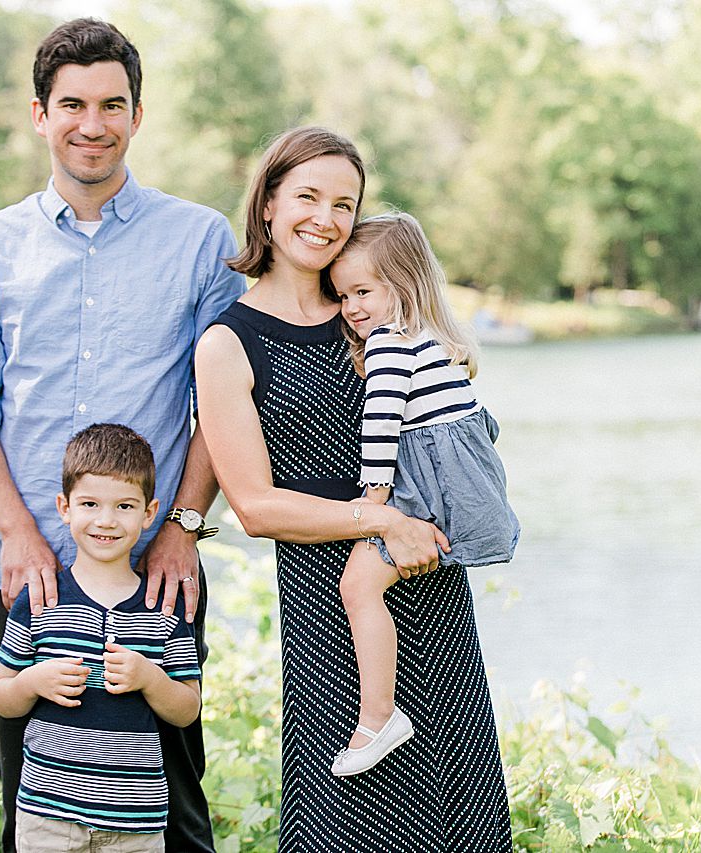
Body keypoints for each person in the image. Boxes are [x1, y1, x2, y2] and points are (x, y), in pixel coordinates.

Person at [0, 18, 244, 852]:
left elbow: (222, 403)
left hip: (154, 575)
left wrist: (180, 526)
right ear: (40, 114)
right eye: (72, 104)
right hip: (19, 571)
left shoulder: (201, 240)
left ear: (137, 115)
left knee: (174, 805)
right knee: (30, 797)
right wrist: (19, 531)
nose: (93, 124)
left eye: (112, 104)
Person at [194, 126, 513, 851]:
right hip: (329, 593)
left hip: (425, 575)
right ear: (268, 205)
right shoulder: (227, 342)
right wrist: (379, 519)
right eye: (307, 196)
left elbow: (447, 413)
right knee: (348, 816)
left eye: (345, 202)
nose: (326, 218)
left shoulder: (371, 315)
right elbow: (254, 505)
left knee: (459, 804)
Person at [326, 212, 519, 777]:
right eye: (342, 296)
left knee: (358, 586)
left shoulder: (388, 345)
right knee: (369, 587)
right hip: (458, 481)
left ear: (404, 283)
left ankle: (378, 717)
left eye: (364, 290)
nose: (352, 307)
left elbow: (381, 422)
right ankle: (382, 716)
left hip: (422, 483)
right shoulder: (436, 340)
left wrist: (376, 502)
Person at [0, 424, 201, 852]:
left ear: (149, 513)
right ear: (64, 507)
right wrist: (32, 682)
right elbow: (1, 695)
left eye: (124, 506)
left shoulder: (164, 607)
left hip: (135, 824)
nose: (106, 520)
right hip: (47, 819)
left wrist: (151, 679)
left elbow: (187, 710)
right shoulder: (40, 601)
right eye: (90, 504)